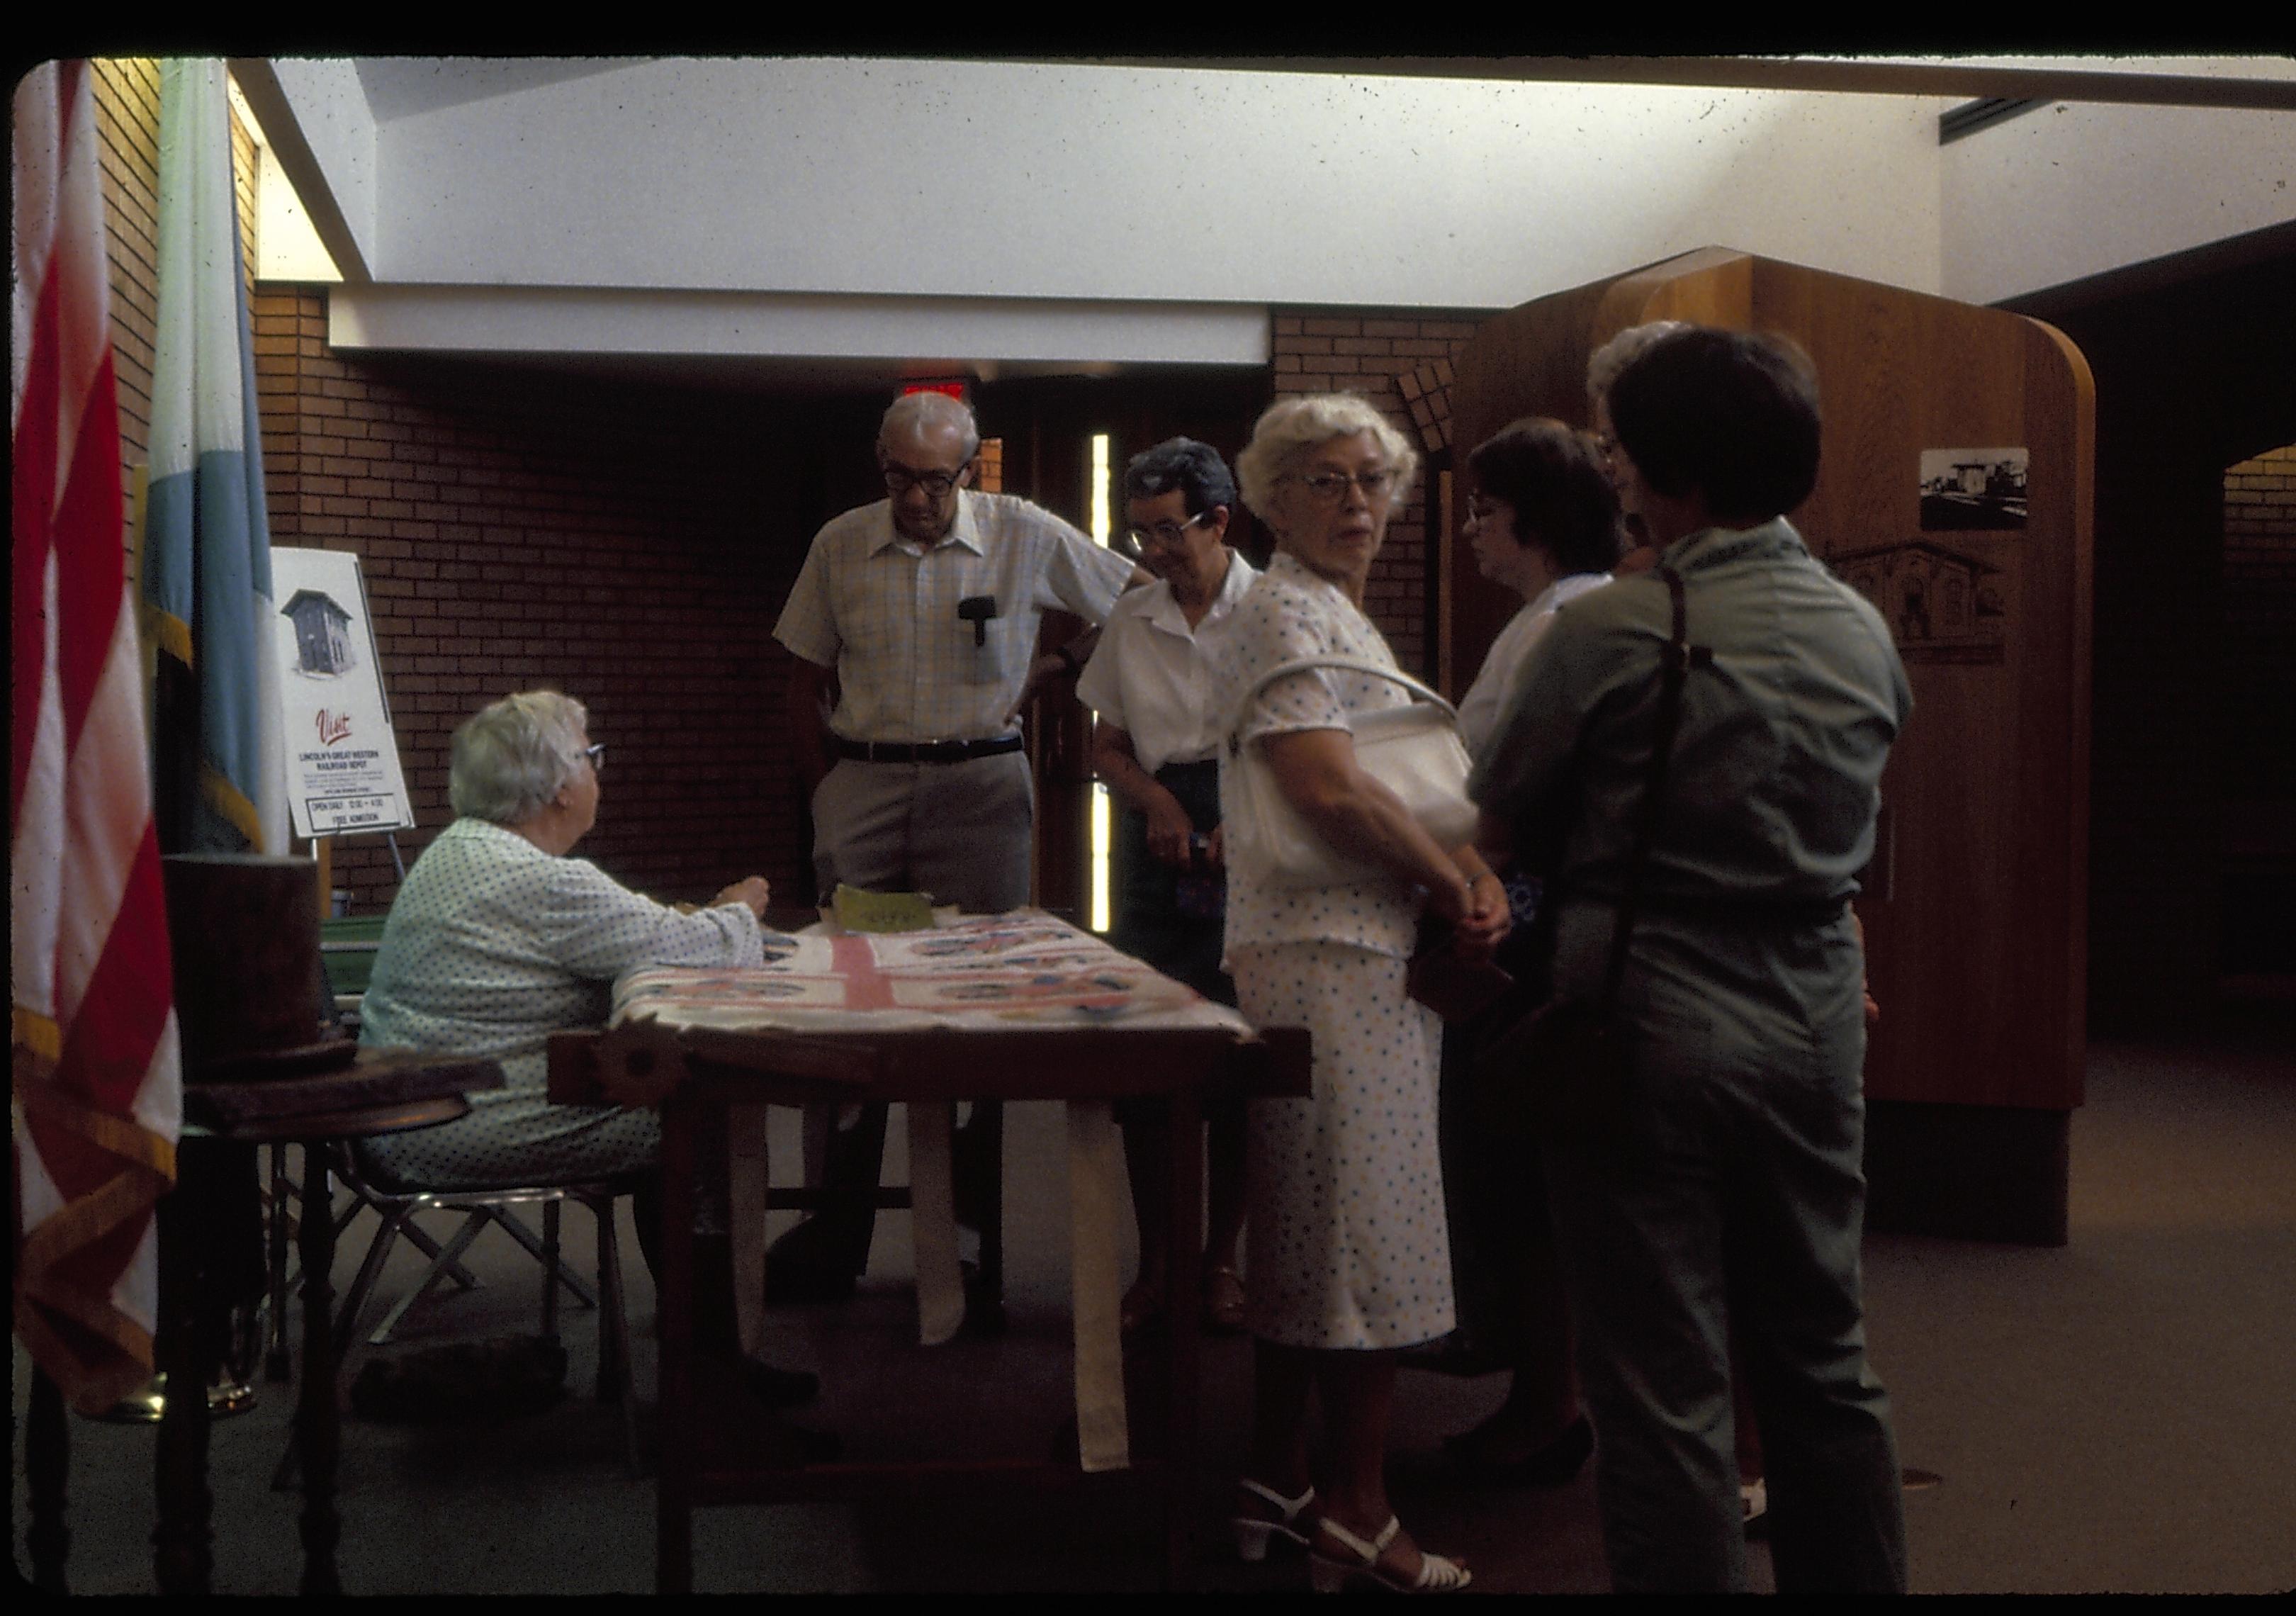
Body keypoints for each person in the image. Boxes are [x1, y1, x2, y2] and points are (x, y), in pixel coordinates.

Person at [1471, 327, 1912, 1593]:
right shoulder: (1861, 628)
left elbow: (1497, 818)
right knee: (1824, 1353)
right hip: (1818, 998)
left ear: (1669, 478)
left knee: (1662, 1374)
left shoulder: (1614, 628)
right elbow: (1861, 834)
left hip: (1646, 1000)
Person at [1215, 394, 1507, 1594]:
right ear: (1272, 501)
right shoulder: (1285, 604)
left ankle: (1275, 1481)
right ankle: (1356, 1505)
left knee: (1306, 1220)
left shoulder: (1322, 610)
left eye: (1373, 484)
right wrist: (1454, 881)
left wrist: (1456, 869)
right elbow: (1330, 792)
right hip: (1333, 952)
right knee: (1363, 1235)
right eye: (1326, 483)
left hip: (1331, 946)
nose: (1358, 506)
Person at [356, 691, 821, 1427]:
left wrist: (685, 923)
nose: (601, 774)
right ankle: (708, 1381)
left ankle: (691, 1356)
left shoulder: (462, 851)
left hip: (407, 1112)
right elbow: (694, 945)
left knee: (665, 1101)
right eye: (592, 758)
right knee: (694, 1119)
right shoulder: (543, 880)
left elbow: (633, 928)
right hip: (460, 1126)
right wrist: (741, 907)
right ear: (561, 786)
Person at [770, 390, 1144, 1300]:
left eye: (937, 481)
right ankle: (836, 1235)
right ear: (881, 465)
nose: (919, 498)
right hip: (862, 781)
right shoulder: (840, 543)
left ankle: (970, 1248)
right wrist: (830, 794)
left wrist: (1052, 668)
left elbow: (1142, 602)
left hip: (980, 790)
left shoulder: (1022, 532)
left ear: (969, 471)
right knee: (846, 1003)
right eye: (901, 477)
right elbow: (799, 683)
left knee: (977, 1012)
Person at [1424, 419, 1619, 1489]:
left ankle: (1550, 1403)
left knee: (1522, 1170)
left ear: (1534, 520)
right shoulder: (1549, 616)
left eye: (1483, 510)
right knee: (1517, 1169)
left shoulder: (1568, 623)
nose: (1469, 531)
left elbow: (1508, 792)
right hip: (1527, 898)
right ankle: (1541, 1386)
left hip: (1532, 913)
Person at [1076, 437, 1257, 1337]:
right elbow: (1102, 744)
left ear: (1219, 521)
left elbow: (1315, 737)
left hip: (1252, 824)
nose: (1151, 551)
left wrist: (1250, 818)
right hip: (1158, 835)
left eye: (1168, 531)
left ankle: (1220, 1262)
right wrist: (1153, 804)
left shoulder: (1275, 610)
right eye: (1138, 532)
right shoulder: (1133, 616)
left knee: (1236, 1061)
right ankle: (1158, 1266)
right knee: (1149, 1058)